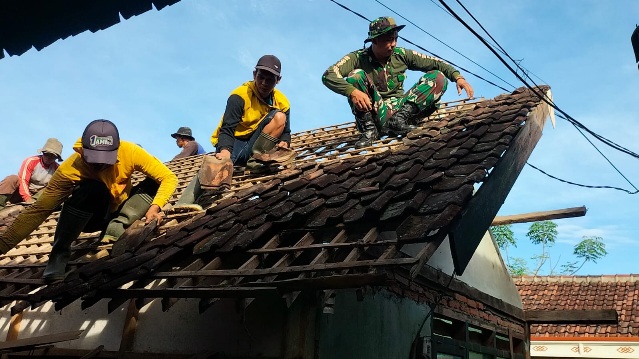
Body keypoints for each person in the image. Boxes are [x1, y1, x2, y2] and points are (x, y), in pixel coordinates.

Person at [0, 119, 178, 282]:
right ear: (83, 150)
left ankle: (116, 226)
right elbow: (37, 211)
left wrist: (155, 207)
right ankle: (59, 254)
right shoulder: (70, 168)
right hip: (90, 216)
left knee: (153, 184)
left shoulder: (131, 152)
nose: (100, 166)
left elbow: (169, 178)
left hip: (118, 209)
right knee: (93, 188)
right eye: (95, 161)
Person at [322, 16, 474, 148]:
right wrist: (352, 91)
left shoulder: (401, 54)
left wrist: (458, 78)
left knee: (438, 76)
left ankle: (398, 121)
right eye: (388, 39)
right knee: (355, 76)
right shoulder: (357, 57)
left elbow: (436, 63)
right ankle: (370, 131)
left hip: (401, 112)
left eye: (395, 38)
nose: (393, 43)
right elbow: (328, 75)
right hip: (376, 113)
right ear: (375, 40)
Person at [173, 55, 294, 210]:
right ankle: (185, 200)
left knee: (279, 117)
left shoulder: (282, 101)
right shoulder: (240, 96)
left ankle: (256, 160)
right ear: (254, 74)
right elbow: (227, 129)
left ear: (278, 80)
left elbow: (286, 131)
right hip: (234, 141)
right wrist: (225, 151)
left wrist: (285, 142)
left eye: (269, 80)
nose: (264, 83)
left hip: (255, 143)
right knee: (219, 161)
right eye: (260, 77)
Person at [0, 138, 63, 209]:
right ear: (43, 153)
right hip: (20, 193)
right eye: (46, 154)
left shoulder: (58, 169)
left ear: (56, 157)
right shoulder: (31, 161)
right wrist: (27, 199)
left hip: (38, 197)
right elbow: (23, 180)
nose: (48, 157)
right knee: (12, 179)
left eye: (52, 156)